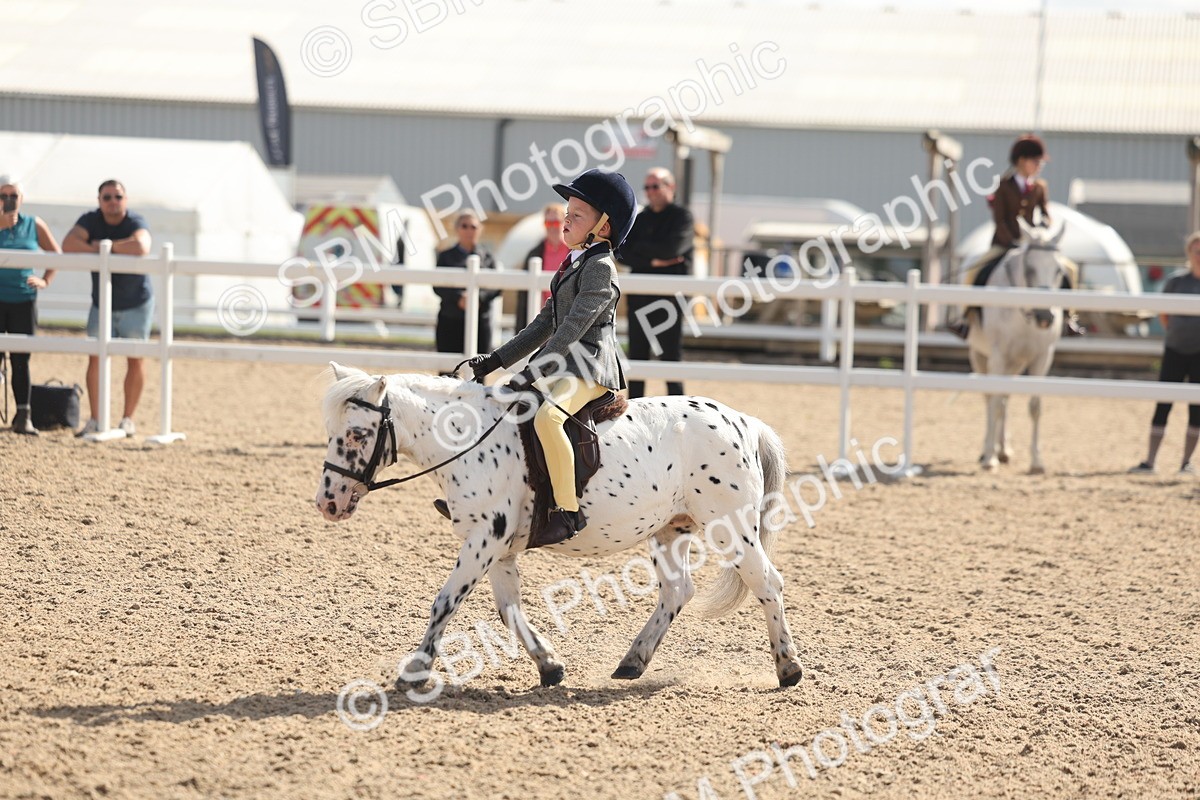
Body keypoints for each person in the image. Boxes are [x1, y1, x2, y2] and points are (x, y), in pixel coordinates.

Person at [464, 169, 636, 548]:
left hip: (590, 367)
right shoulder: (574, 263)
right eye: (567, 210)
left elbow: (572, 329)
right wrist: (495, 360)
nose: (566, 218)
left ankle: (567, 511)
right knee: (511, 410)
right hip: (566, 363)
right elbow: (543, 325)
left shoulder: (600, 269)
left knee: (548, 417)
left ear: (604, 227)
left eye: (578, 214)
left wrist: (533, 372)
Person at [949, 135, 1082, 339]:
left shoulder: (1040, 187)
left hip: (1032, 246)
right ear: (1022, 161)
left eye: (1040, 162)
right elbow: (999, 219)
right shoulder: (1003, 186)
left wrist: (1043, 227)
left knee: (1069, 269)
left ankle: (1069, 317)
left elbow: (1046, 214)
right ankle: (965, 319)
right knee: (976, 269)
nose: (1040, 166)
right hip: (1004, 243)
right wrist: (1013, 242)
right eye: (1036, 161)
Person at [62, 179, 153, 436]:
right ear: (99, 200)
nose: (113, 202)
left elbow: (142, 246)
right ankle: (96, 419)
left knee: (135, 358)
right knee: (95, 356)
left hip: (137, 301)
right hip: (102, 303)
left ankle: (128, 419)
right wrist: (106, 248)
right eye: (107, 197)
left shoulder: (135, 221)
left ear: (126, 199)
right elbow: (68, 244)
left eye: (118, 197)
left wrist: (104, 247)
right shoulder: (90, 219)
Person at [618, 167, 694, 398]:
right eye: (647, 187)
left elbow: (673, 249)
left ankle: (678, 406)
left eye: (656, 186)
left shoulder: (682, 217)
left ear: (671, 187)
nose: (650, 192)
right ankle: (635, 406)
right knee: (638, 355)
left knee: (670, 356)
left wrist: (642, 253)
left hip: (670, 298)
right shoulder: (640, 219)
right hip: (640, 297)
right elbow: (621, 252)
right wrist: (656, 259)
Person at [1130, 231, 1200, 475]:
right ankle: (1150, 461)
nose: (1199, 256)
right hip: (1175, 350)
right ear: (1189, 254)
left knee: (1196, 409)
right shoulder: (1176, 281)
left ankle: (1186, 462)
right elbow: (1164, 314)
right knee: (1163, 404)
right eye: (1196, 251)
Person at [0, 177, 60, 435]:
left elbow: (56, 254)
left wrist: (45, 280)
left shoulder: (34, 224)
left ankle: (23, 415)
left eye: (13, 195)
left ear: (21, 198)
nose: (9, 201)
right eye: (3, 195)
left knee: (21, 359)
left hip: (24, 299)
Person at [434, 211, 500, 358]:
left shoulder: (488, 258)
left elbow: (496, 287)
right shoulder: (445, 256)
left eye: (473, 226)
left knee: (480, 369)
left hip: (480, 321)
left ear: (480, 229)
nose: (469, 230)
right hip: (450, 320)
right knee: (448, 371)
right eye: (464, 226)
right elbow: (438, 285)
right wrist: (459, 298)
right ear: (457, 229)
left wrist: (478, 297)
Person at [515, 203, 569, 331]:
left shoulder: (574, 251)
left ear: (564, 223)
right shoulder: (535, 253)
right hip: (541, 314)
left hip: (568, 313)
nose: (552, 227)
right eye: (548, 223)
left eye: (555, 223)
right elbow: (524, 294)